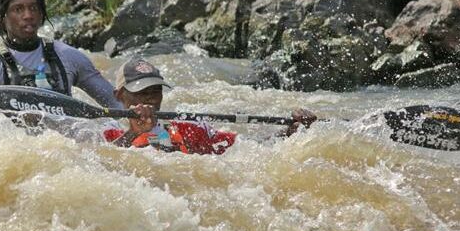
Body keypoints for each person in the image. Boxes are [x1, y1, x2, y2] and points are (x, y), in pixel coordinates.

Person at [0, 0, 121, 109]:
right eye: (18, 9)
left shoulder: (69, 57)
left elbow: (117, 104)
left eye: (33, 8)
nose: (28, 15)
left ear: (41, 14)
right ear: (3, 18)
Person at [103, 58, 318, 155]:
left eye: (155, 91)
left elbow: (249, 150)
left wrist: (292, 132)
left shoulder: (188, 129)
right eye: (141, 91)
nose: (150, 99)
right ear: (120, 96)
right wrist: (134, 132)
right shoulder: (110, 136)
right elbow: (104, 167)